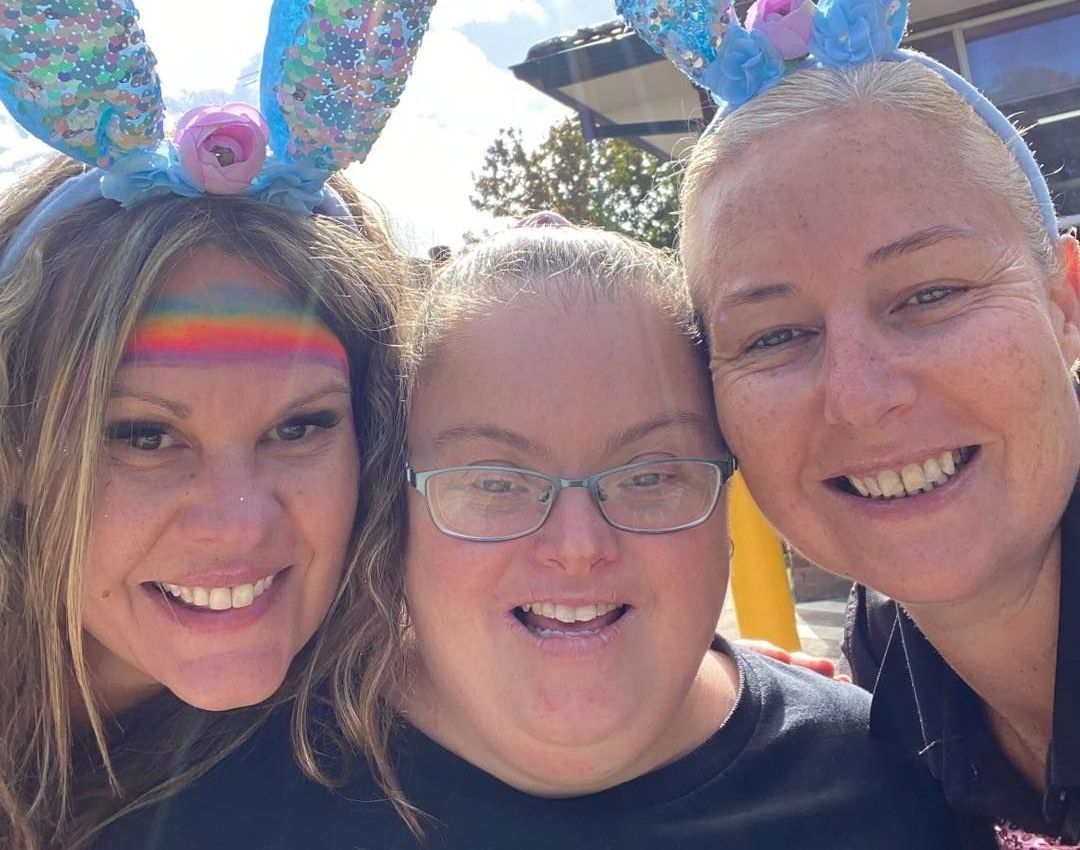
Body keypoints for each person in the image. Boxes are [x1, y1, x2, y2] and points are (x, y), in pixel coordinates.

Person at [101, 221, 958, 849]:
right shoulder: (192, 806)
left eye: (651, 474)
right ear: (390, 511)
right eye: (495, 484)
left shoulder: (893, 779)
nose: (577, 545)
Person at [618, 0, 1080, 845]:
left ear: (1065, 302)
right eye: (776, 336)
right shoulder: (883, 666)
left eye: (931, 295)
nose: (862, 397)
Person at [0, 2, 432, 847]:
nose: (239, 522)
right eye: (144, 436)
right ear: (11, 454)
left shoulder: (414, 778)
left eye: (300, 427)